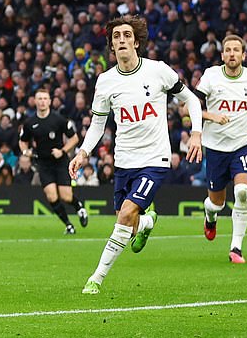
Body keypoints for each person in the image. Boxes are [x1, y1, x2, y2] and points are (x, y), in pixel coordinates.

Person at [68, 15, 203, 295]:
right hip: (124, 161)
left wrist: (197, 133)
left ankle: (96, 278)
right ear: (111, 46)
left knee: (125, 213)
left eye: (127, 35)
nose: (122, 40)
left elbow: (190, 98)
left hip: (155, 159)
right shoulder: (105, 82)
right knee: (127, 220)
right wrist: (82, 153)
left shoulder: (158, 71)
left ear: (137, 42)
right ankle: (147, 221)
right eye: (116, 36)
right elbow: (97, 123)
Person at [194, 34, 247, 264]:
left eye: (236, 50)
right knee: (216, 203)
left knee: (242, 192)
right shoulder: (211, 76)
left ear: (244, 55)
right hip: (215, 148)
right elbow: (190, 106)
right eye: (228, 50)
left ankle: (236, 248)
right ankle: (210, 216)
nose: (232, 54)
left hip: (243, 145)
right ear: (222, 55)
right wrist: (210, 115)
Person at [20, 87, 88, 235]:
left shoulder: (58, 119)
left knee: (66, 196)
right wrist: (26, 152)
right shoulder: (30, 123)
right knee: (51, 196)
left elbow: (75, 138)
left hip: (60, 162)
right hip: (43, 163)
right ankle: (69, 225)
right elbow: (22, 141)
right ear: (35, 101)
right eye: (40, 99)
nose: (42, 102)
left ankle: (79, 208)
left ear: (50, 101)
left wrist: (62, 151)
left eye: (45, 99)